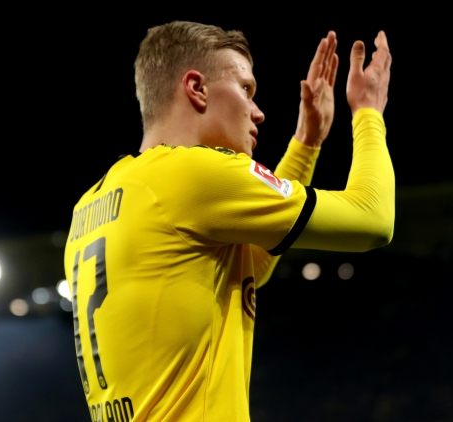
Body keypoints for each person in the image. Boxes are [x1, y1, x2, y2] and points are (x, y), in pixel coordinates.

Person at [64, 21, 393, 421]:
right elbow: (373, 220)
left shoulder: (94, 203)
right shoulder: (191, 174)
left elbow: (249, 264)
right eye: (245, 89)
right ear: (197, 88)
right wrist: (368, 114)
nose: (258, 112)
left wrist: (306, 145)